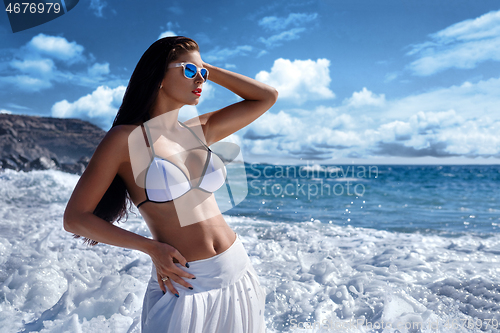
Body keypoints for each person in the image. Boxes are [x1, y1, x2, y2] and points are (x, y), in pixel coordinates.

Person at [63, 36, 278, 332]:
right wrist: (150, 248)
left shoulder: (197, 131)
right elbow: (75, 219)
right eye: (189, 71)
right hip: (187, 283)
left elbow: (266, 96)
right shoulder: (125, 140)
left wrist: (203, 67)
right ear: (159, 76)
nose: (200, 79)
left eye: (203, 74)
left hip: (237, 272)